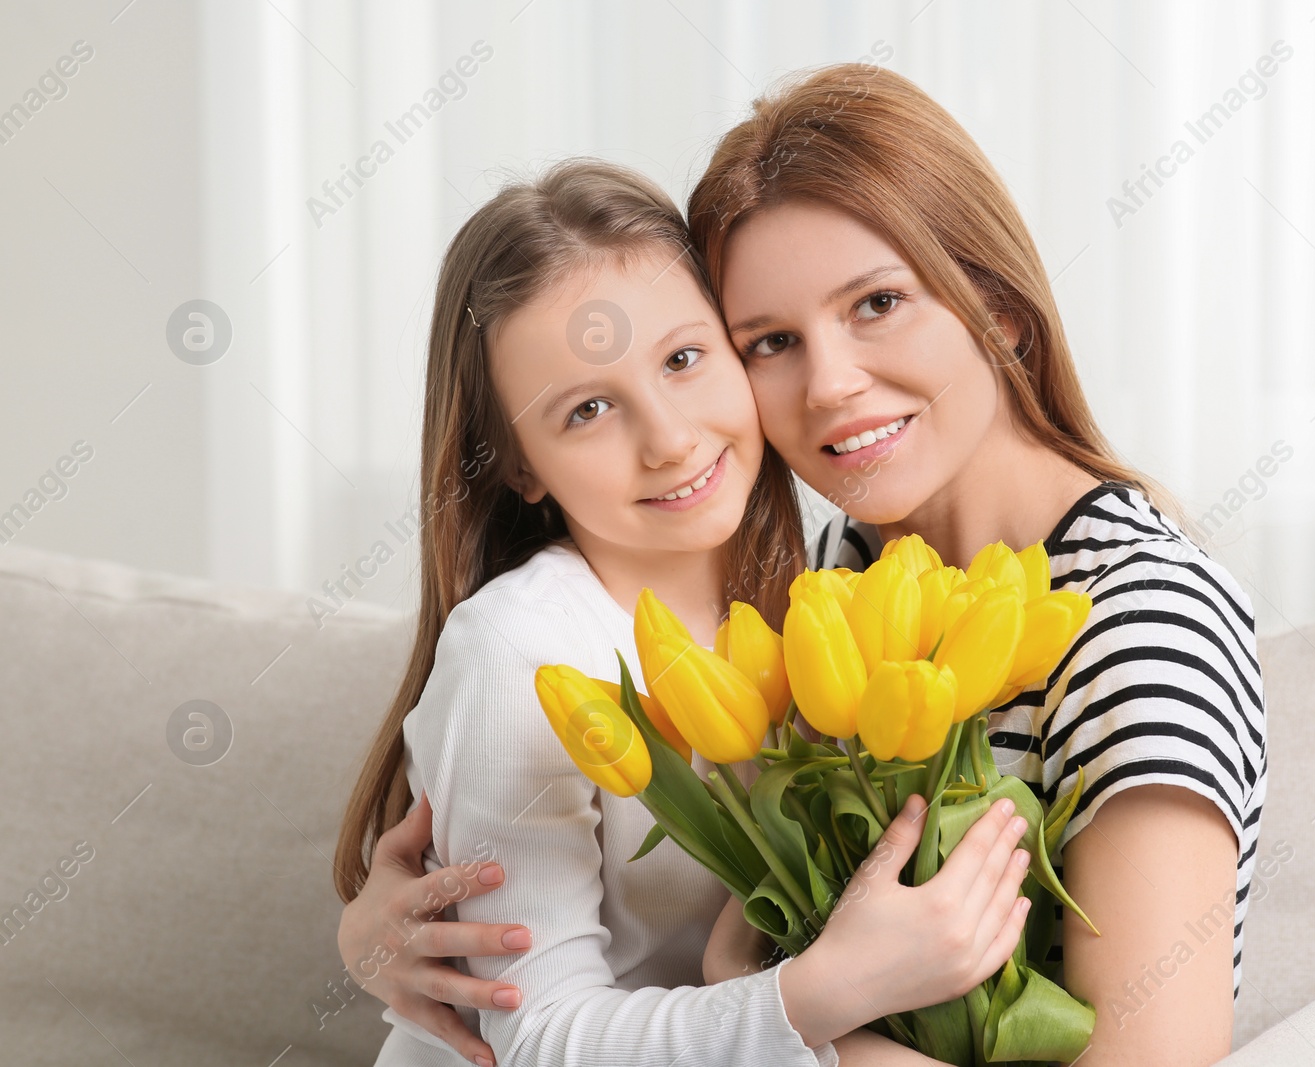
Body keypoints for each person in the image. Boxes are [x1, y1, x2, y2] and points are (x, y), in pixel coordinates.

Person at [343, 65, 1267, 1067]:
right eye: (773, 340)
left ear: (997, 305)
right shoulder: (831, 580)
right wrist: (379, 936)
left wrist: (779, 1003)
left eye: (876, 302)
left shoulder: (1140, 622)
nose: (829, 385)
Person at [335, 158, 1039, 1067]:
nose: (669, 440)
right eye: (588, 409)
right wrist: (827, 989)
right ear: (520, 467)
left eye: (682, 359)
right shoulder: (523, 651)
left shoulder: (822, 593)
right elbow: (537, 1035)